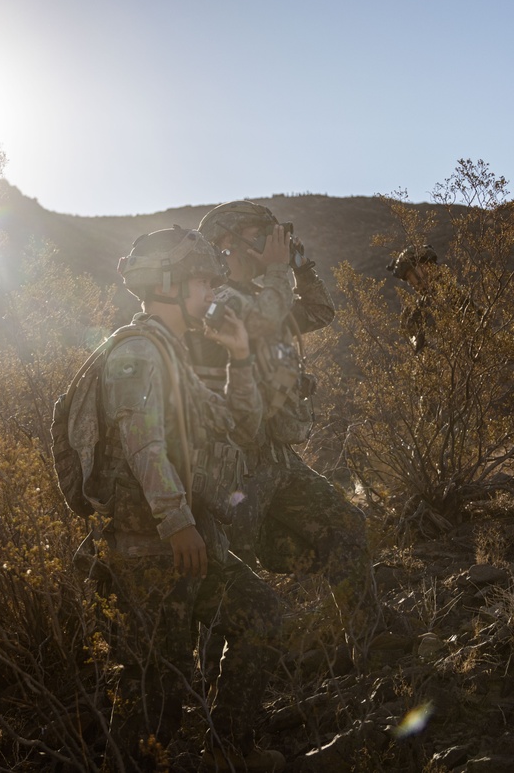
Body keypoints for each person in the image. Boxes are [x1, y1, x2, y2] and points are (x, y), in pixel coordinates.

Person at [93, 226, 285, 772]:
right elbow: (141, 442)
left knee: (265, 614)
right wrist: (176, 521)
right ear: (168, 283)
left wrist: (240, 358)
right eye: (203, 281)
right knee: (156, 698)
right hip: (153, 552)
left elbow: (239, 428)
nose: (211, 293)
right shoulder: (137, 352)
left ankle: (229, 753)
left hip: (190, 544)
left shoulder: (173, 354)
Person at [188, 201, 367, 601]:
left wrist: (300, 267)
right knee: (232, 577)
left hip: (275, 455)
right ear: (225, 242)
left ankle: (368, 641)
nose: (270, 243)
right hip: (233, 464)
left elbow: (320, 312)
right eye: (259, 235)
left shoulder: (268, 293)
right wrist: (279, 269)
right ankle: (261, 651)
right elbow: (264, 318)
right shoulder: (215, 300)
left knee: (346, 528)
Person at [387, 244, 439, 353]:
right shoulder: (414, 311)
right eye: (409, 280)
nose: (412, 284)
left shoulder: (451, 293)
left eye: (412, 276)